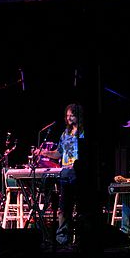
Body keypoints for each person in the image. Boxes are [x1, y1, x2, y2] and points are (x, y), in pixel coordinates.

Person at [34, 103, 84, 246]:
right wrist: (44, 153)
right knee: (64, 208)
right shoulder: (65, 134)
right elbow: (58, 153)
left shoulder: (83, 132)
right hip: (65, 173)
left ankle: (80, 238)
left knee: (79, 207)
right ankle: (62, 239)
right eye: (67, 116)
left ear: (78, 116)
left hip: (78, 173)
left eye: (72, 115)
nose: (69, 118)